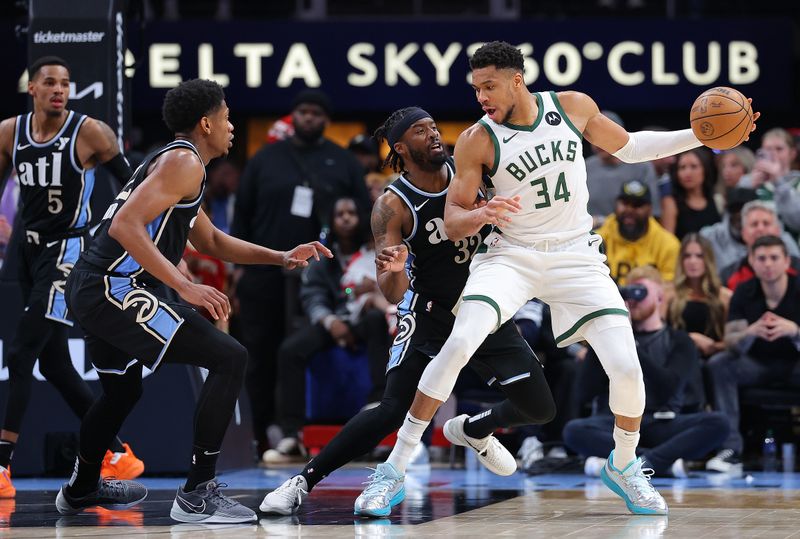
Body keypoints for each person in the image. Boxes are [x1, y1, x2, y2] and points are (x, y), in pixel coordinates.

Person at [356, 41, 759, 517]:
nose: (481, 96)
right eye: (476, 88)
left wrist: (700, 136)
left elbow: (630, 148)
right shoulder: (476, 140)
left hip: (575, 256)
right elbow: (454, 218)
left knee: (627, 368)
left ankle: (624, 465)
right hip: (512, 255)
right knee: (459, 342)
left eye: (489, 86)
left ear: (516, 80)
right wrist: (483, 211)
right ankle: (393, 471)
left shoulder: (571, 106)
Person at [54, 79, 331, 523]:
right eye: (226, 117)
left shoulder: (181, 162)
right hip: (111, 287)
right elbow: (125, 226)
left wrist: (279, 257)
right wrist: (185, 287)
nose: (232, 127)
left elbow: (212, 240)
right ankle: (197, 493)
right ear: (206, 122)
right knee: (229, 357)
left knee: (123, 390)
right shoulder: (184, 161)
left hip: (95, 286)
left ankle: (81, 487)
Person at [259, 107, 555, 516]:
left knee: (540, 408)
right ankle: (302, 481)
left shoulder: (468, 170)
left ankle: (472, 430)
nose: (434, 134)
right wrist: (395, 269)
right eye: (421, 131)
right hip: (430, 309)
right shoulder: (391, 205)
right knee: (391, 408)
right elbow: (395, 293)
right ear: (400, 147)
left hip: (484, 303)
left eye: (434, 126)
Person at [0, 56, 144, 498]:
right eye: (50, 82)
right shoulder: (10, 132)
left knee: (22, 352)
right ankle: (119, 454)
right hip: (26, 250)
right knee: (55, 363)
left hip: (68, 251)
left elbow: (133, 186)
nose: (59, 89)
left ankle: (1, 468)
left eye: (66, 82)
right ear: (33, 89)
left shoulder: (90, 132)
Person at [232, 89, 370, 458]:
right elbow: (241, 215)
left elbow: (366, 215)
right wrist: (238, 269)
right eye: (302, 111)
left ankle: (317, 433)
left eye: (316, 112)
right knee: (258, 356)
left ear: (326, 119)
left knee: (308, 350)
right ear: (293, 117)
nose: (309, 118)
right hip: (265, 271)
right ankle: (258, 435)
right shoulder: (264, 159)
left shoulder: (342, 162)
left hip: (326, 276)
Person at [563, 266, 729, 478]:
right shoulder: (610, 338)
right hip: (618, 424)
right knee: (573, 430)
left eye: (640, 292)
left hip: (663, 421)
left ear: (660, 297)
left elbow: (667, 389)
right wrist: (610, 332)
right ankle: (656, 463)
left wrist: (631, 344)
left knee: (718, 423)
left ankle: (638, 463)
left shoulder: (680, 340)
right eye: (629, 293)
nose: (633, 300)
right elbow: (584, 392)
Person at [265, 196, 390, 464]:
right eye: (340, 214)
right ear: (332, 221)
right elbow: (312, 297)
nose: (345, 218)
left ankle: (377, 403)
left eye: (351, 213)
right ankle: (292, 435)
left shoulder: (375, 250)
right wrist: (331, 322)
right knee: (290, 349)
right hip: (330, 322)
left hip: (364, 320)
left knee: (378, 320)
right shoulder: (322, 257)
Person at [705, 235, 800, 474]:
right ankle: (730, 451)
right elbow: (731, 342)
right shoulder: (744, 291)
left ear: (787, 260)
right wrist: (750, 332)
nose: (768, 264)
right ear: (752, 261)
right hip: (756, 365)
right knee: (720, 364)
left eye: (774, 258)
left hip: (795, 365)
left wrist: (795, 331)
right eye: (762, 258)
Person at [597, 180, 681, 283]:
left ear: (650, 209)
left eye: (637, 205)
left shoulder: (668, 245)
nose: (629, 210)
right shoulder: (598, 240)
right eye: (625, 203)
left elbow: (668, 288)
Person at [584, 111, 659, 225]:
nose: (599, 143)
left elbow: (653, 213)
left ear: (620, 136)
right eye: (594, 137)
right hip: (591, 238)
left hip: (633, 237)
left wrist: (602, 222)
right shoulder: (584, 166)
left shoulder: (642, 166)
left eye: (605, 136)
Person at [667, 233, 732, 359]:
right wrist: (689, 339)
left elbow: (734, 341)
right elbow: (658, 336)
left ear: (708, 260)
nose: (692, 261)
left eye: (699, 256)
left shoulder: (725, 297)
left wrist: (713, 346)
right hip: (676, 357)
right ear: (681, 260)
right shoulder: (668, 294)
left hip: (714, 359)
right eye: (687, 256)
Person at [719, 201, 800, 291]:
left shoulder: (797, 267)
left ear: (777, 230)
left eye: (766, 223)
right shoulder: (728, 275)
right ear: (743, 233)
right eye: (754, 224)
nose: (760, 229)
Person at [738, 128, 800, 234]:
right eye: (768, 149)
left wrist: (778, 180)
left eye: (779, 149)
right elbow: (734, 222)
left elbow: (797, 222)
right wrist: (748, 189)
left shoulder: (798, 182)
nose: (773, 154)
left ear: (792, 153)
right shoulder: (747, 181)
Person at [661, 148, 721, 239]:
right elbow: (668, 243)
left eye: (693, 166)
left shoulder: (717, 200)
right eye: (682, 167)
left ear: (705, 169)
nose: (687, 173)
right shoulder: (670, 203)